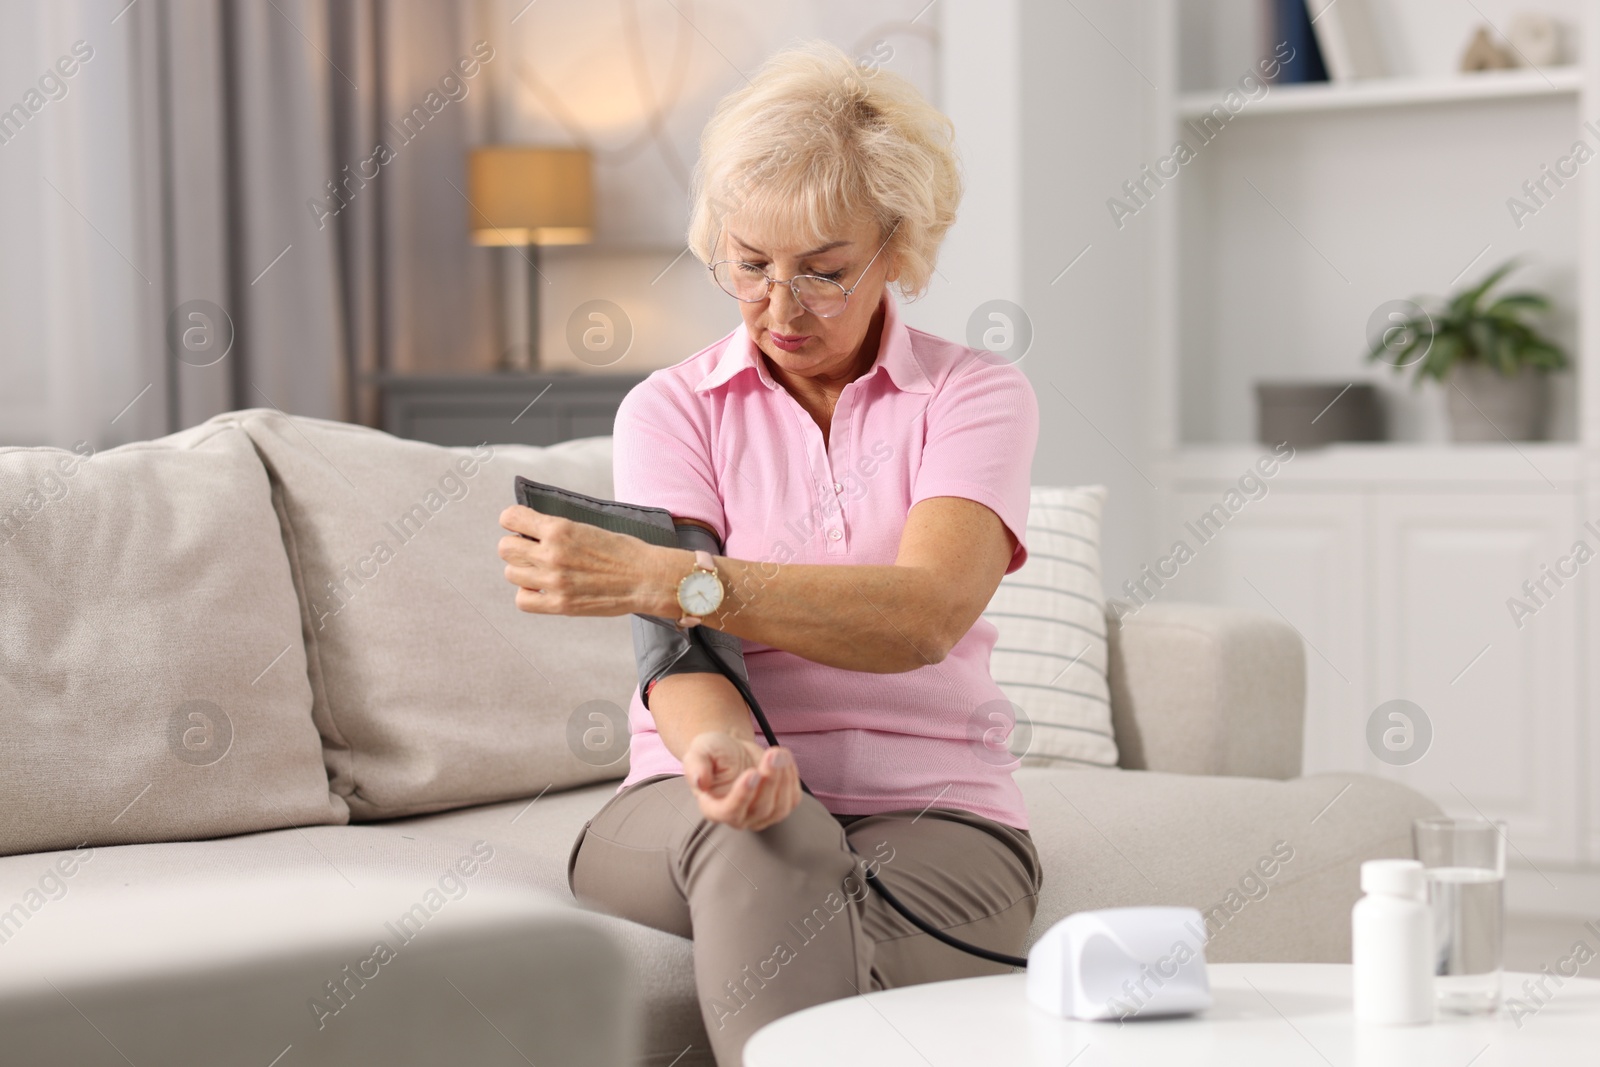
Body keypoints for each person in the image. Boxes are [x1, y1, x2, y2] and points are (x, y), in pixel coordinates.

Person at [497, 38, 1042, 1067]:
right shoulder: (671, 408)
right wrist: (724, 756)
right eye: (749, 264)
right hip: (691, 802)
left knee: (810, 940)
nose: (780, 308)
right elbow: (683, 658)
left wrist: (664, 575)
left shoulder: (974, 397)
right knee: (770, 841)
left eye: (825, 273)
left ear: (898, 248)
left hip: (937, 810)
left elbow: (923, 614)